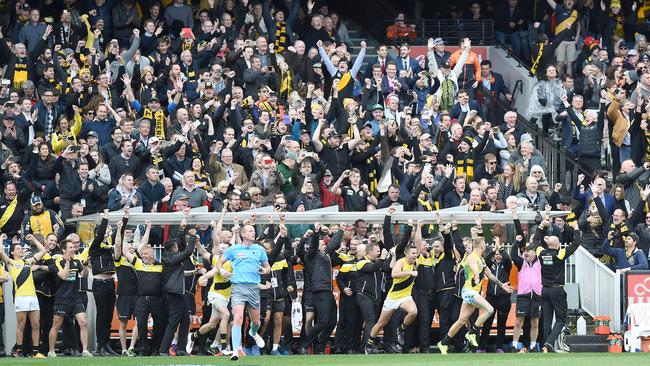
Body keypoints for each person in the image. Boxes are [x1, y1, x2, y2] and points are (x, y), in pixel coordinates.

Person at [437, 236, 514, 355]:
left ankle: (443, 343)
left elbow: (491, 276)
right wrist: (477, 275)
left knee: (461, 321)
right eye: (485, 244)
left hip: (471, 292)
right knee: (490, 310)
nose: (486, 247)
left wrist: (501, 285)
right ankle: (472, 332)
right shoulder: (472, 257)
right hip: (469, 291)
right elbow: (472, 265)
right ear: (482, 246)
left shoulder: (481, 259)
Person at [216, 223, 270, 361]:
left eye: (253, 230)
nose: (253, 232)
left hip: (253, 288)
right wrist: (223, 271)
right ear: (243, 234)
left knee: (257, 322)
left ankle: (253, 333)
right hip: (238, 288)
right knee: (238, 318)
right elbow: (219, 263)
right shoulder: (233, 249)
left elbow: (267, 267)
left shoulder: (259, 249)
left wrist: (264, 271)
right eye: (250, 231)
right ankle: (235, 351)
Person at [534, 215, 582, 352]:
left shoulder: (541, 253)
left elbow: (536, 241)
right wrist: (576, 228)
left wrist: (540, 227)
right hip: (557, 290)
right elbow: (576, 243)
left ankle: (544, 346)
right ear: (557, 245)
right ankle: (548, 343)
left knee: (547, 320)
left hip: (545, 290)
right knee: (561, 320)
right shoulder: (560, 254)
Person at [365, 244, 418, 354]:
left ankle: (401, 330)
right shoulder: (401, 262)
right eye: (413, 253)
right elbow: (394, 274)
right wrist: (409, 272)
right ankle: (369, 345)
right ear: (406, 253)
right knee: (381, 323)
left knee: (413, 312)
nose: (415, 255)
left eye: (416, 253)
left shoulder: (416, 262)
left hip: (406, 296)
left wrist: (416, 227)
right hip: (393, 297)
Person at [0, 233, 47, 358]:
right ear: (12, 253)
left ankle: (35, 352)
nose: (21, 249)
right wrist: (1, 239)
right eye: (18, 249)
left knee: (36, 324)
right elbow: (0, 253)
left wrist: (34, 239)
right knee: (21, 325)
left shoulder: (28, 261)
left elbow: (43, 250)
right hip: (21, 297)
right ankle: (18, 351)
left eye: (21, 248)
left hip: (33, 297)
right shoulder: (10, 263)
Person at [48, 238, 92, 358]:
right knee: (56, 325)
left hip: (75, 298)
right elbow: (63, 276)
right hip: (62, 299)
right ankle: (51, 351)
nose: (73, 249)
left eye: (74, 247)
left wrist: (86, 266)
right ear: (63, 250)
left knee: (83, 322)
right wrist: (67, 262)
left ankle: (85, 350)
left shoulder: (77, 261)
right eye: (70, 247)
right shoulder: (58, 261)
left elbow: (84, 275)